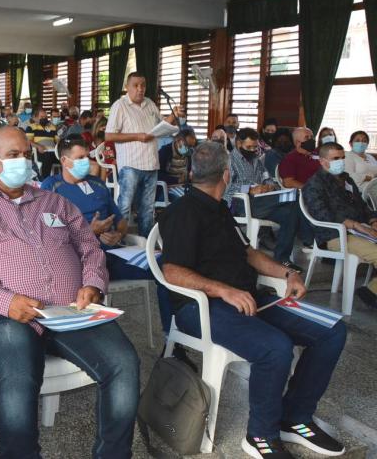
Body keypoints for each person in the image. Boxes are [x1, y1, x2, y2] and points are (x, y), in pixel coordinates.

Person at [0, 126, 139, 459]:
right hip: (10, 315)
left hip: (70, 310)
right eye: (12, 155)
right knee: (18, 379)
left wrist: (92, 284)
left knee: (123, 362)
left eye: (25, 154)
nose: (22, 161)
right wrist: (3, 300)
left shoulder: (56, 203)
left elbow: (89, 247)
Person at [159, 142, 347, 459]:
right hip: (201, 307)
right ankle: (261, 435)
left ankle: (295, 417)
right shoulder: (183, 211)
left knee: (332, 331)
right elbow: (172, 271)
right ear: (227, 174)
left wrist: (288, 273)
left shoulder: (220, 208)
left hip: (249, 298)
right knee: (275, 347)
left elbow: (248, 253)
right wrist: (223, 290)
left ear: (193, 172)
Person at [41, 135, 174, 337]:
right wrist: (89, 232)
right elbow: (50, 234)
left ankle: (172, 337)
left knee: (167, 265)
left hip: (114, 254)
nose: (86, 161)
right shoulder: (51, 188)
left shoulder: (98, 185)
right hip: (79, 260)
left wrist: (118, 233)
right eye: (79, 158)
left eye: (87, 156)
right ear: (64, 161)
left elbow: (120, 219)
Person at [104, 72, 183, 238]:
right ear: (127, 87)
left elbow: (160, 126)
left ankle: (145, 244)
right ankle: (120, 243)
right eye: (136, 85)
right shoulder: (120, 106)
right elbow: (109, 136)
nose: (140, 89)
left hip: (151, 163)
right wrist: (138, 136)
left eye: (143, 85)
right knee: (125, 206)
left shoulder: (150, 104)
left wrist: (174, 117)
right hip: (130, 164)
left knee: (147, 208)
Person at [303, 142, 377, 311]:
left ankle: (371, 291)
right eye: (335, 158)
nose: (341, 161)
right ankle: (372, 292)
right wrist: (355, 225)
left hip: (360, 229)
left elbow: (362, 206)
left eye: (342, 158)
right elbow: (321, 214)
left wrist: (373, 221)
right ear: (322, 161)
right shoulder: (314, 184)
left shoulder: (346, 179)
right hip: (334, 235)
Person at [225, 128, 302, 269]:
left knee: (291, 211)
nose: (253, 150)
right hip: (241, 205)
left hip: (262, 203)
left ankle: (282, 258)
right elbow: (226, 188)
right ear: (238, 144)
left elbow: (267, 178)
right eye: (249, 147)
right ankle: (289, 197)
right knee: (291, 197)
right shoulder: (229, 161)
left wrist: (269, 187)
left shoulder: (256, 160)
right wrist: (250, 189)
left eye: (255, 147)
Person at [26, 108, 59, 178]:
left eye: (45, 117)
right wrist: (38, 146)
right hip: (40, 152)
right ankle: (44, 179)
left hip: (53, 152)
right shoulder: (31, 127)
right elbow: (28, 141)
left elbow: (58, 141)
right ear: (36, 118)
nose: (44, 119)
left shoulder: (52, 127)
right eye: (42, 117)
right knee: (47, 157)